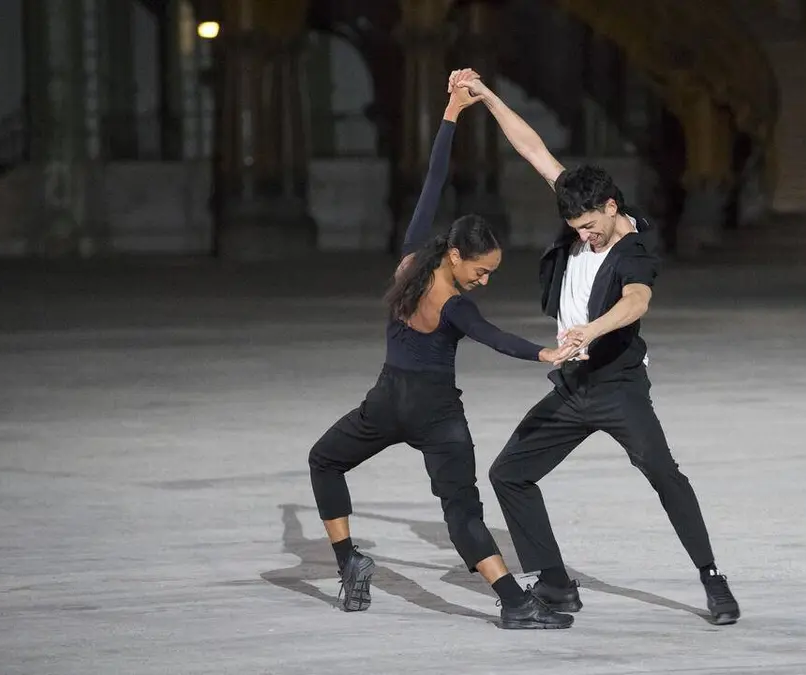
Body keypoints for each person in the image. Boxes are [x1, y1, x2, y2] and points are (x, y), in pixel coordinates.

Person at [450, 69, 741, 625]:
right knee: (509, 473)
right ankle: (556, 583)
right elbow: (534, 149)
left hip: (618, 386)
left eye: (588, 226)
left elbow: (636, 302)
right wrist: (487, 97)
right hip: (572, 386)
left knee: (664, 474)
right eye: (575, 227)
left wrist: (591, 329)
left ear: (611, 206)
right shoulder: (581, 204)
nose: (583, 235)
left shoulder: (635, 251)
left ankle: (712, 578)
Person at [307, 72, 578, 630]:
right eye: (482, 270)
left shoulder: (411, 261)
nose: (485, 280)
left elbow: (433, 181)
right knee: (461, 510)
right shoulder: (455, 306)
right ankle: (513, 603)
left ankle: (349, 559)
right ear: (456, 255)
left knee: (325, 460)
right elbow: (494, 337)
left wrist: (452, 112)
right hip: (435, 414)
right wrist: (544, 354)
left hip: (387, 401)